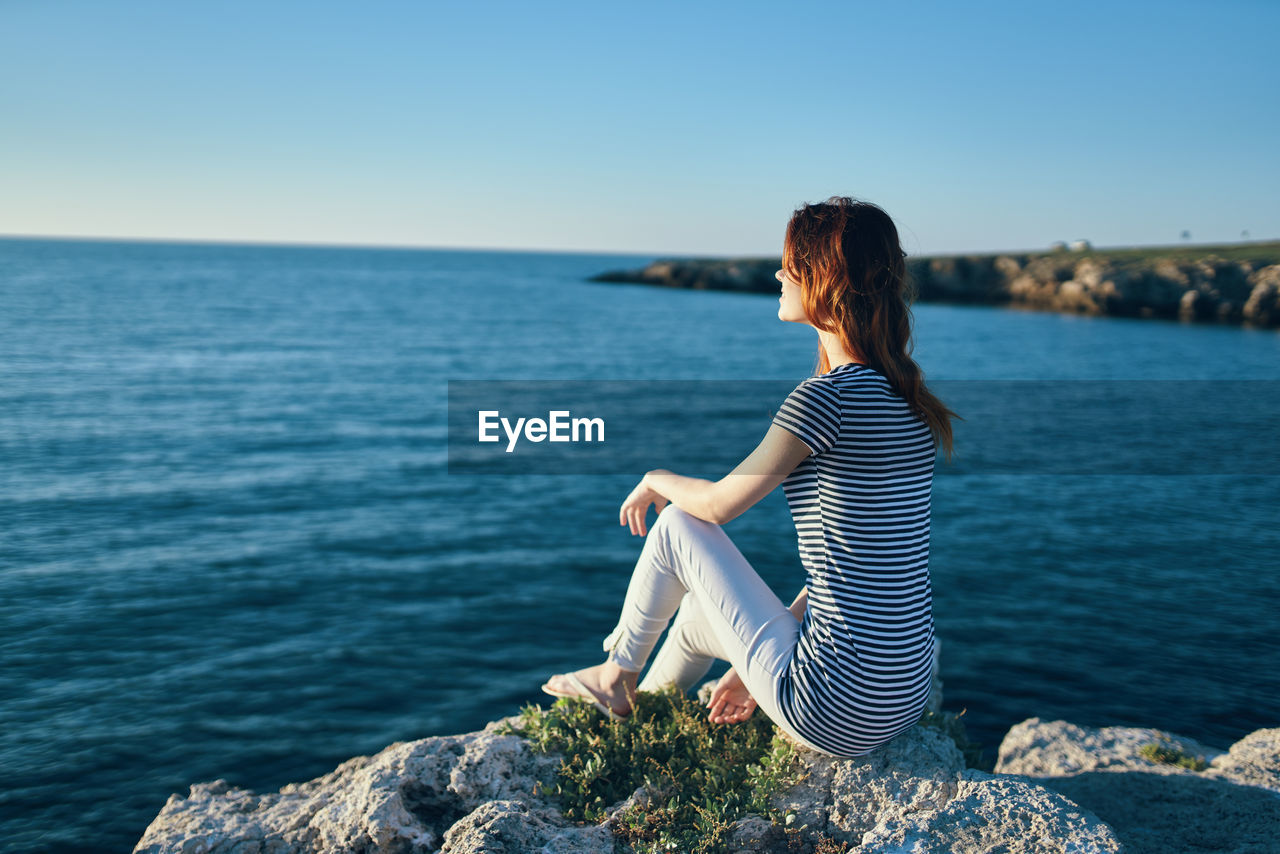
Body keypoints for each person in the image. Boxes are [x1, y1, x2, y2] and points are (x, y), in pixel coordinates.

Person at [542, 196, 959, 758]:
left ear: (822, 278)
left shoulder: (825, 401)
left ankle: (616, 674)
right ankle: (643, 712)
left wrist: (656, 477)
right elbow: (871, 562)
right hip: (899, 695)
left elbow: (716, 505)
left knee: (678, 526)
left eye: (790, 264)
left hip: (834, 707)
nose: (779, 275)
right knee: (693, 617)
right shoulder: (909, 404)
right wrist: (757, 659)